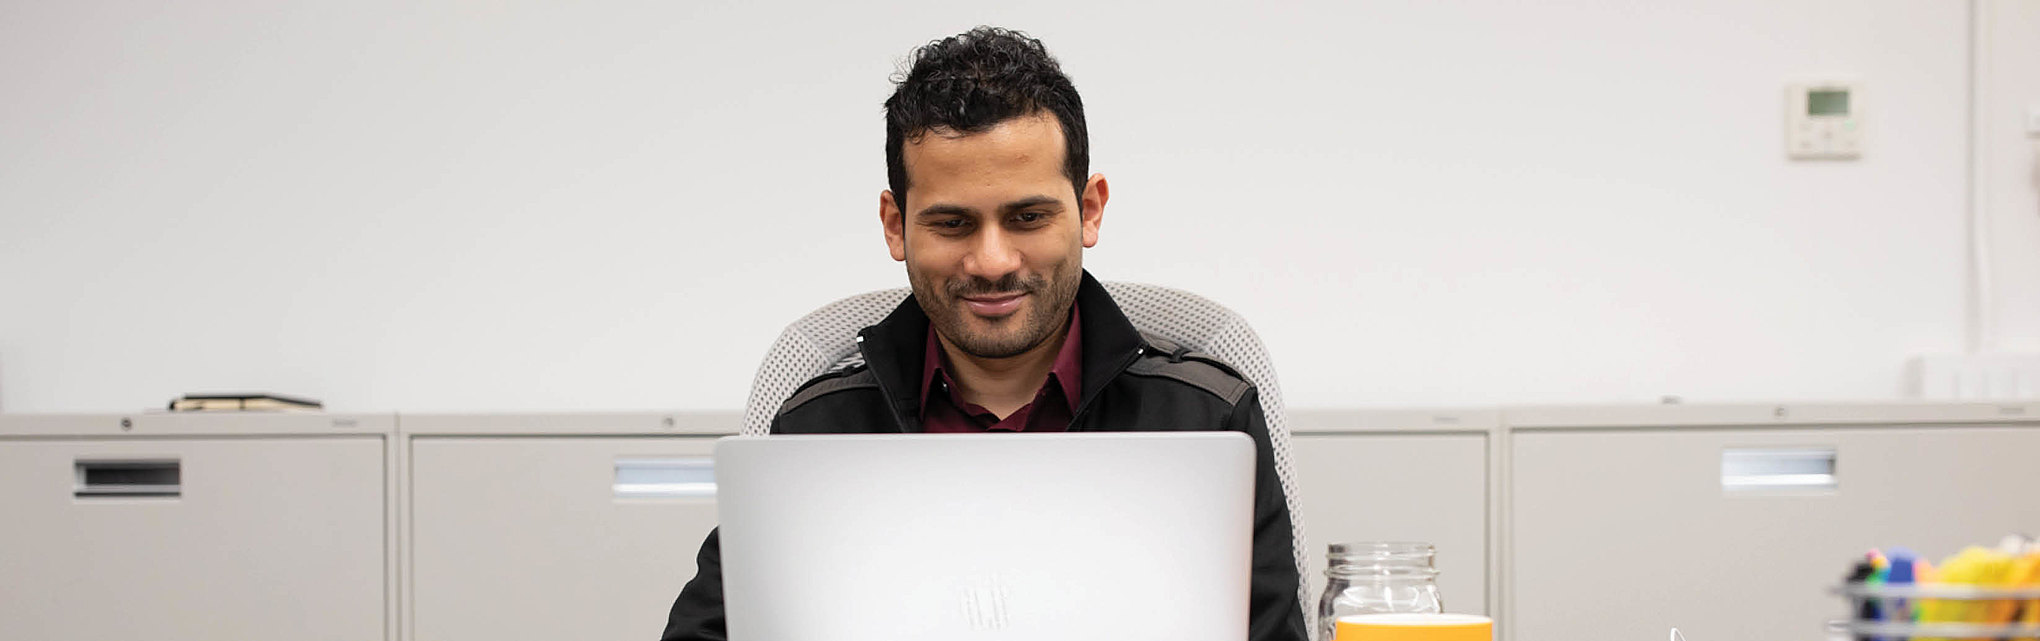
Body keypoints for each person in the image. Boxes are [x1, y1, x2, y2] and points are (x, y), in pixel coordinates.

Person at [660, 26, 1308, 641]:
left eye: (1027, 216)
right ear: (895, 224)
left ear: (1089, 209)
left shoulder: (1206, 421)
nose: (992, 261)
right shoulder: (815, 430)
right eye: (952, 223)